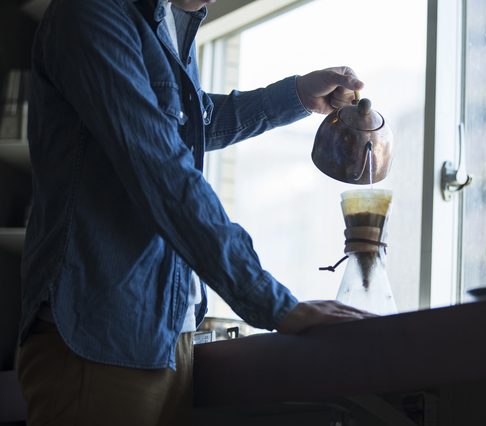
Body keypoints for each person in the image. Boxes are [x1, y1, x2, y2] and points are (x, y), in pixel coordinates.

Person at [16, 0, 375, 424]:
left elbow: (189, 123)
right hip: (97, 340)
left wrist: (295, 96)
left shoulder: (165, 22)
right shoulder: (91, 12)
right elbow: (163, 170)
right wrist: (274, 303)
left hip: (167, 339)